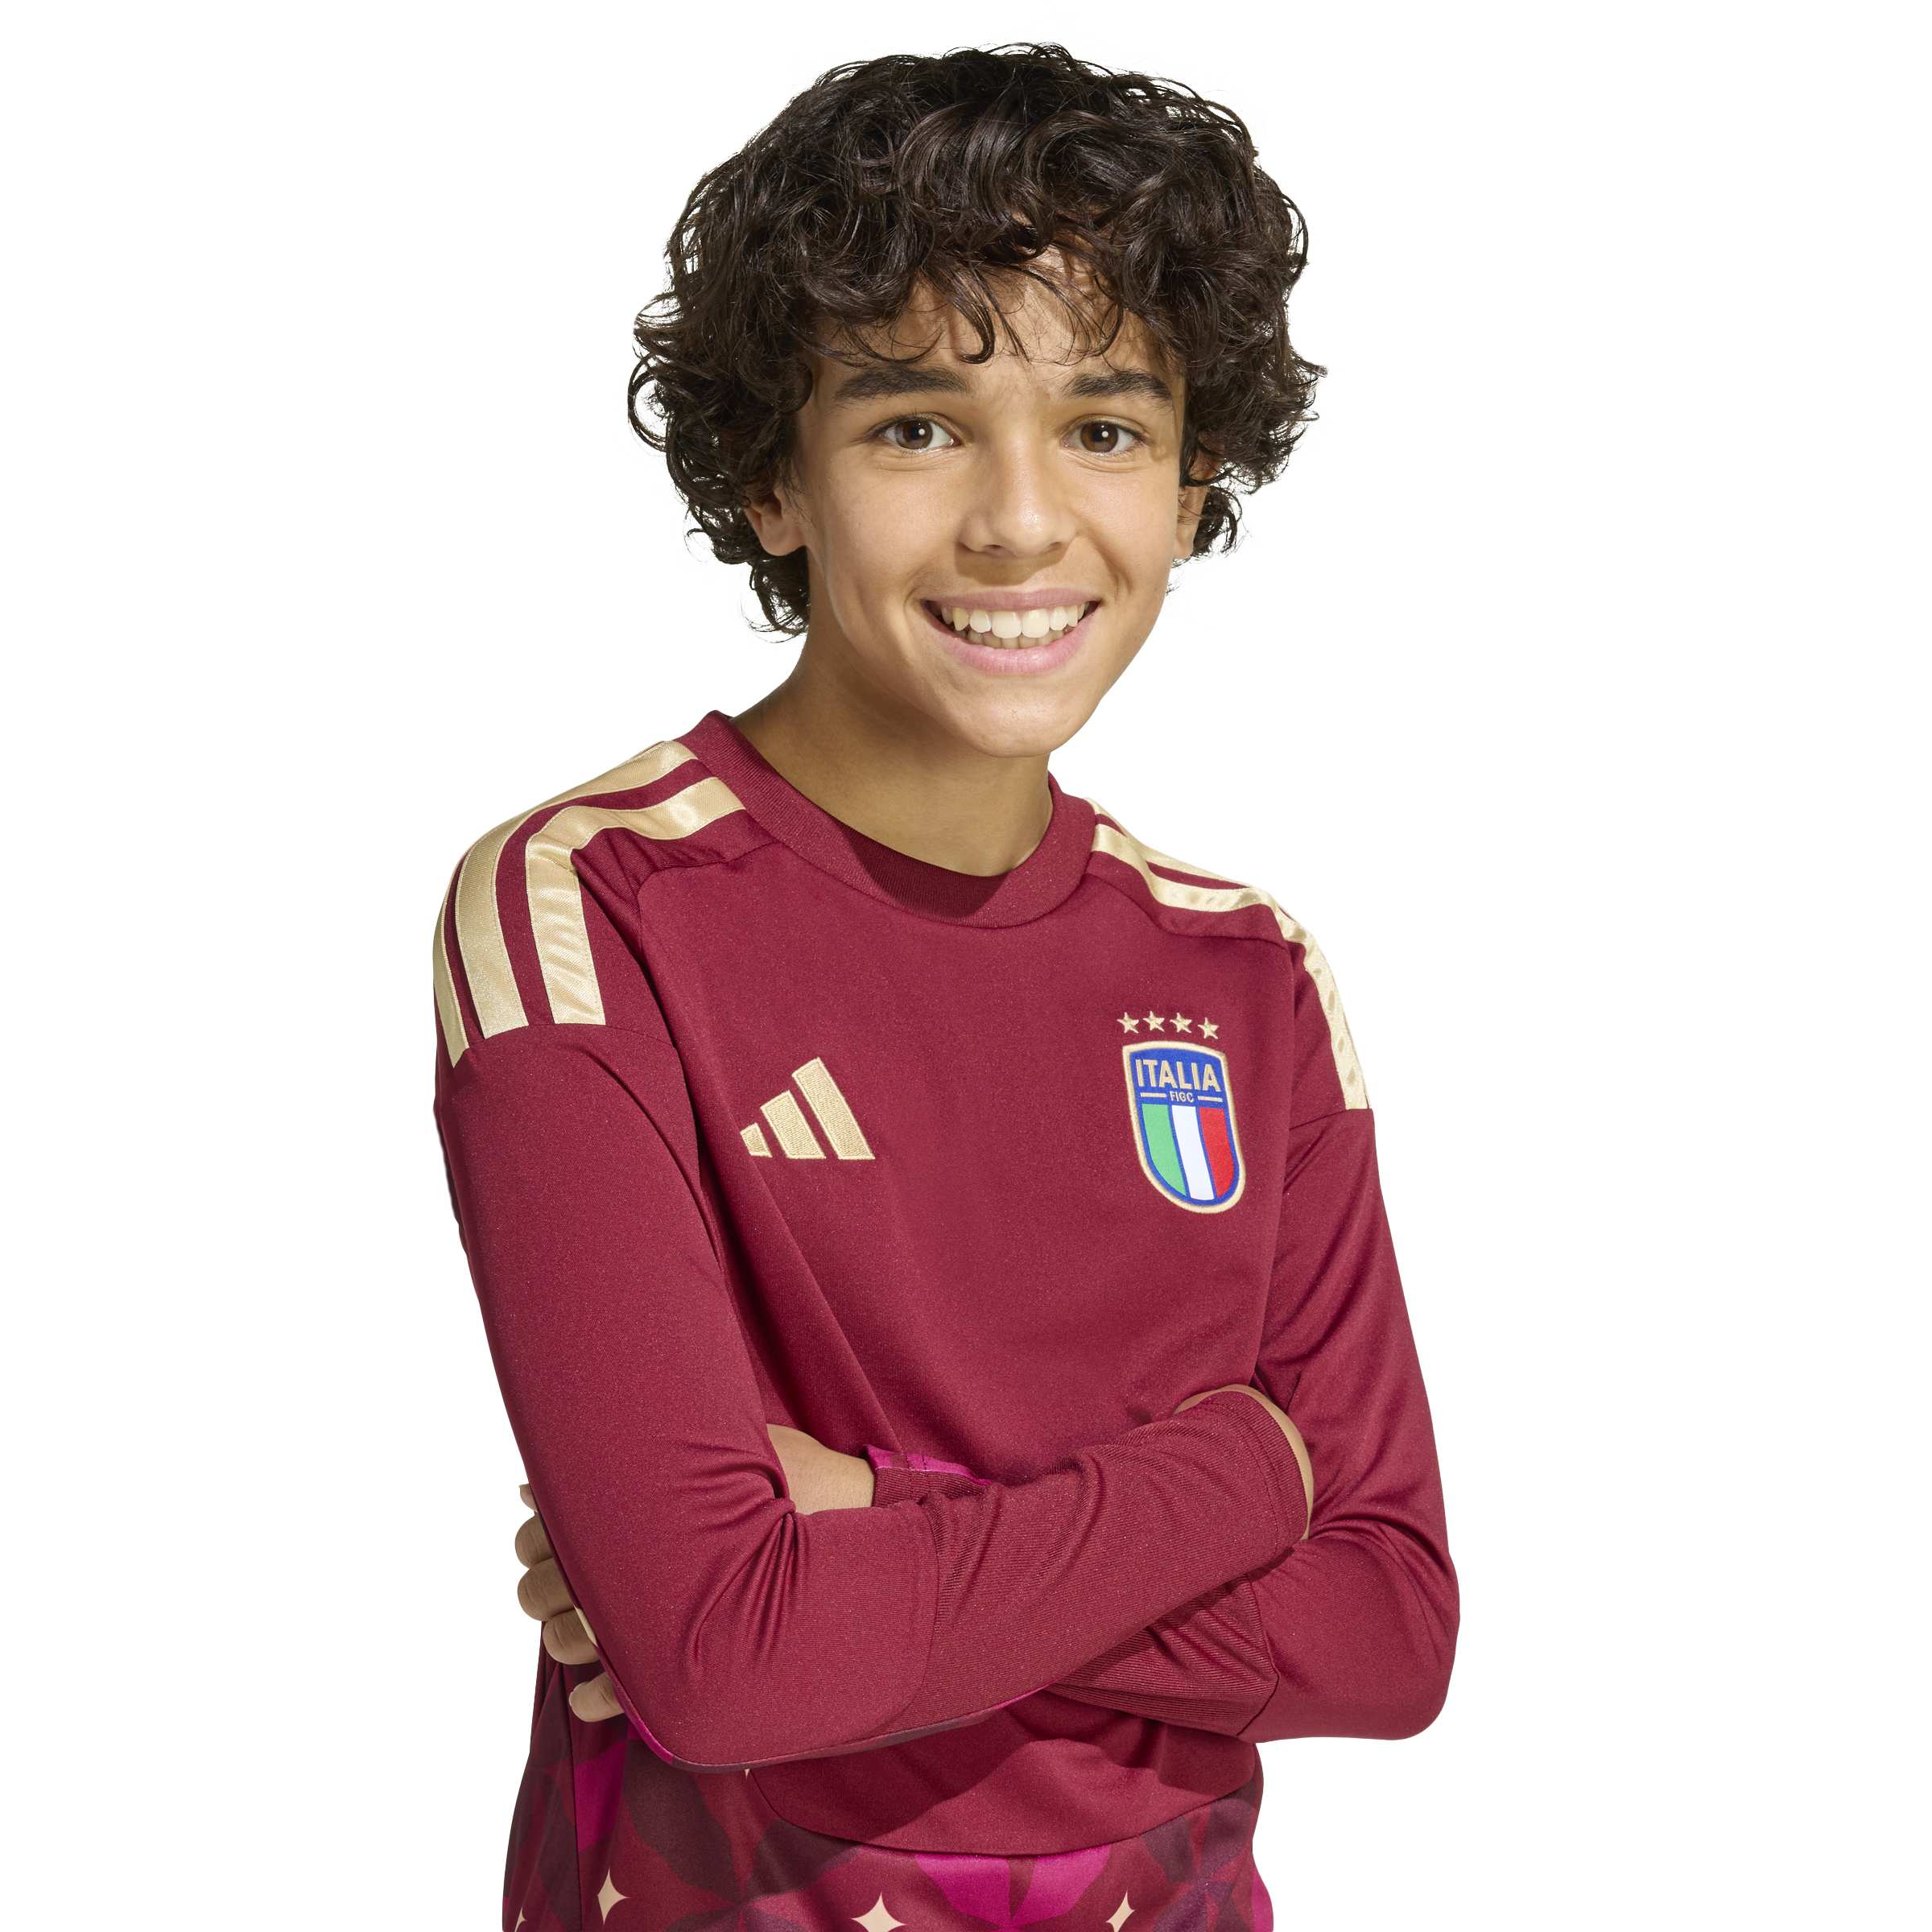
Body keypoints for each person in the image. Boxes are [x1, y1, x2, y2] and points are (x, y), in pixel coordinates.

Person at [431, 41, 1457, 1932]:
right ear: (773, 475)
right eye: (917, 426)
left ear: (1193, 481)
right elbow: (731, 1658)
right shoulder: (597, 906)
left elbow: (1390, 1631)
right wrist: (1242, 1475)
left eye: (1105, 427)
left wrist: (875, 1523)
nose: (1019, 523)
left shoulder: (1246, 977)